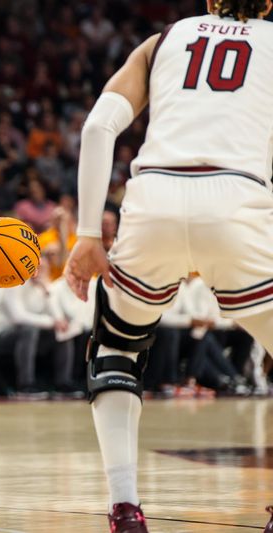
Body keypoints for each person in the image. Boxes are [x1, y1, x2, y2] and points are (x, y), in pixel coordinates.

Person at [63, 1, 273, 530]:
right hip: (236, 198)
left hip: (154, 195)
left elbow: (96, 129)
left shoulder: (164, 40)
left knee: (115, 350)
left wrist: (89, 233)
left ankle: (125, 508)